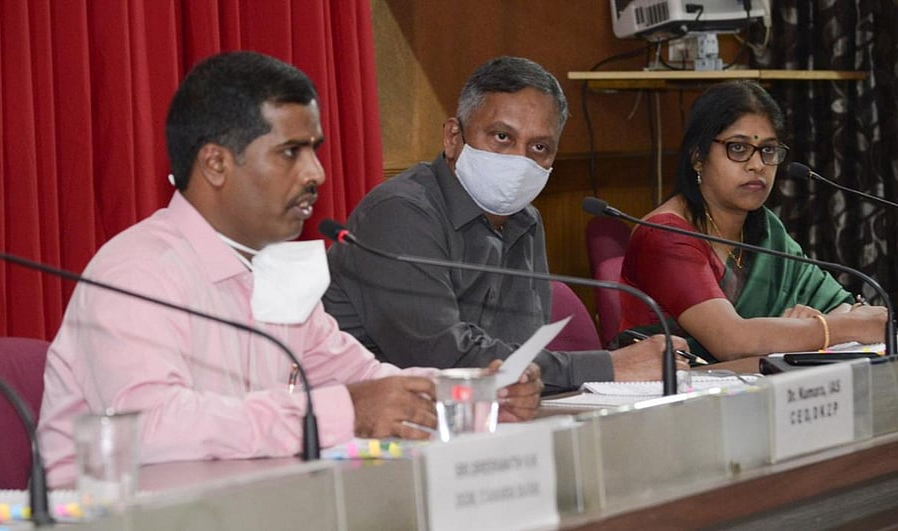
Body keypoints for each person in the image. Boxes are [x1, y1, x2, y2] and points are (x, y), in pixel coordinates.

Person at [37, 51, 543, 487]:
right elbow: (149, 428)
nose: (316, 173)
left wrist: (474, 393)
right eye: (290, 153)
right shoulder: (137, 273)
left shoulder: (276, 269)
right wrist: (347, 410)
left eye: (315, 151)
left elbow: (360, 375)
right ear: (216, 165)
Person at [324, 56, 687, 395]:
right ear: (454, 138)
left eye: (540, 147)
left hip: (474, 417)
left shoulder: (525, 220)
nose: (519, 161)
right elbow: (442, 358)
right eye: (502, 137)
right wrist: (607, 367)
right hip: (361, 426)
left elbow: (517, 359)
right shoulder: (399, 213)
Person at [618, 79, 887, 362]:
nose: (757, 165)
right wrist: (831, 327)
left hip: (754, 387)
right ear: (698, 157)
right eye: (738, 148)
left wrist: (813, 322)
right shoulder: (662, 236)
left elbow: (842, 305)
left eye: (768, 150)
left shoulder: (764, 227)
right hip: (666, 393)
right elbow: (731, 340)